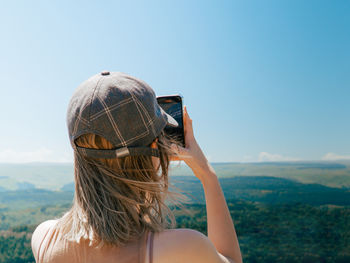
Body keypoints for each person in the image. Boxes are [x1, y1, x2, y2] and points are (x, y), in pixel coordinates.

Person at [31, 71, 242, 263]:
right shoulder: (184, 247)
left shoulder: (44, 240)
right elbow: (231, 259)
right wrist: (207, 175)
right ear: (154, 148)